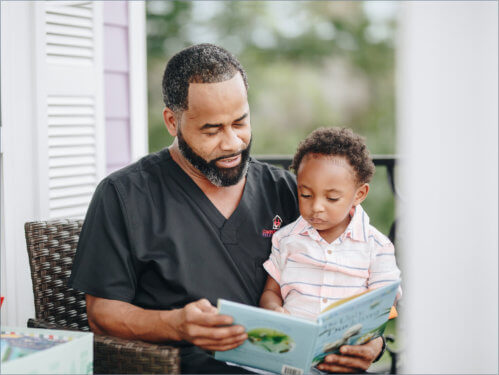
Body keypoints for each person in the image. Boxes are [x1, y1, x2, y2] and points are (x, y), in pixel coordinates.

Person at [68, 44, 384, 373]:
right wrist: (175, 324)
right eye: (212, 129)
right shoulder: (124, 196)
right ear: (172, 121)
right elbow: (102, 314)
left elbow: (355, 271)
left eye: (240, 123)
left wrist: (373, 342)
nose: (232, 143)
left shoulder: (287, 191)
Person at [260, 127, 402, 373]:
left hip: (346, 361)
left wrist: (370, 339)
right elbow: (270, 292)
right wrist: (274, 311)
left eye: (332, 198)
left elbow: (384, 305)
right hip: (292, 359)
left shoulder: (377, 247)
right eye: (305, 194)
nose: (316, 207)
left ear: (360, 194)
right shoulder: (286, 239)